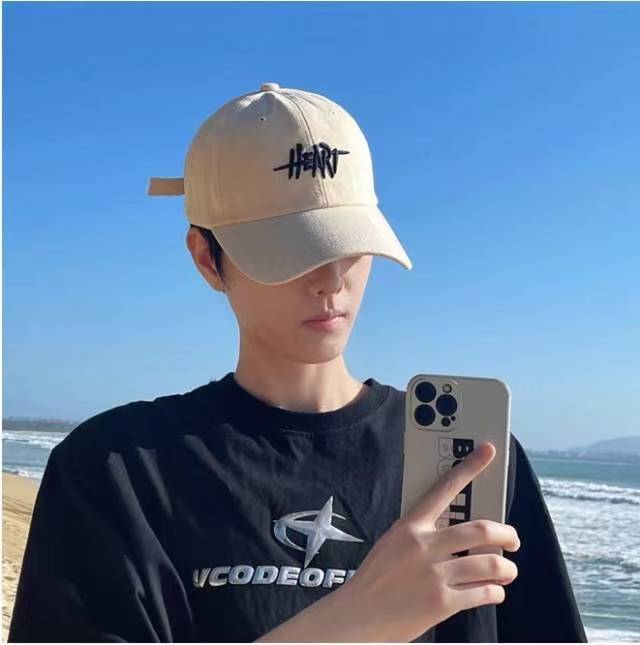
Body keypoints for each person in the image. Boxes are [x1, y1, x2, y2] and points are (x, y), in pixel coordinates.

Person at [7, 82, 587, 643]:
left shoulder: (476, 463)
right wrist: (356, 622)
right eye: (290, 249)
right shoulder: (117, 471)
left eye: (348, 243)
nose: (330, 280)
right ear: (207, 259)